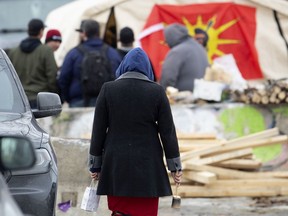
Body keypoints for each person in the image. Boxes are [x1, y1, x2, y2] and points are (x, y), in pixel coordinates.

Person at [89, 47, 182, 216]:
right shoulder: (157, 91)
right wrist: (175, 167)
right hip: (148, 164)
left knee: (120, 209)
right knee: (144, 210)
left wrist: (95, 164)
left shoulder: (108, 89)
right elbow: (167, 132)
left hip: (116, 163)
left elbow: (98, 130)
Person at [58, 19, 121, 107]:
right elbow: (119, 77)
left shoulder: (74, 53)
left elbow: (63, 78)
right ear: (98, 32)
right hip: (106, 103)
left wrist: (68, 98)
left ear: (84, 33)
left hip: (79, 101)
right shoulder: (112, 53)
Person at [8, 18, 59, 109]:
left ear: (28, 31)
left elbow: (9, 78)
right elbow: (52, 76)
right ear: (41, 31)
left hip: (19, 101)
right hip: (40, 100)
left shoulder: (13, 52)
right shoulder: (46, 51)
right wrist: (53, 94)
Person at [160, 23, 209, 92]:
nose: (167, 43)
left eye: (167, 40)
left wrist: (164, 94)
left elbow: (168, 77)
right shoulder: (200, 48)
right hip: (201, 95)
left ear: (171, 37)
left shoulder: (177, 51)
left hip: (182, 99)